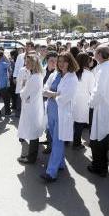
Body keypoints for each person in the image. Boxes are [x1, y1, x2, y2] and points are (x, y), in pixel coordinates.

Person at [41, 52, 79, 182]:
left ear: (70, 62)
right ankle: (60, 163)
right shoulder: (54, 74)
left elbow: (64, 98)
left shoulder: (72, 78)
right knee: (54, 138)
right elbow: (44, 89)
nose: (61, 64)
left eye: (64, 61)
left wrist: (51, 94)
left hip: (62, 113)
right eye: (59, 61)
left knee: (57, 141)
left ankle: (51, 172)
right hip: (51, 110)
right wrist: (54, 94)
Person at [87, 46, 109, 177]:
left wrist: (90, 103)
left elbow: (98, 91)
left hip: (102, 109)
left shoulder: (103, 70)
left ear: (100, 54)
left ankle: (99, 167)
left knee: (97, 141)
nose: (94, 54)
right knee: (103, 139)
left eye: (95, 52)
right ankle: (102, 165)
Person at [17, 54, 45, 164]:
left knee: (33, 132)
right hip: (34, 105)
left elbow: (23, 94)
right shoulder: (37, 75)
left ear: (34, 64)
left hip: (31, 107)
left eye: (28, 62)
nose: (26, 64)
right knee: (33, 131)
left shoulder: (34, 77)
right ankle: (32, 155)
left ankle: (31, 158)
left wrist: (23, 87)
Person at [72, 52, 95, 150]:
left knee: (72, 121)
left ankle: (66, 140)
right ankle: (76, 143)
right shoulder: (89, 74)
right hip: (83, 102)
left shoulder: (72, 72)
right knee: (79, 123)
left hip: (73, 100)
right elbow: (92, 90)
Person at [0, 50, 11, 116]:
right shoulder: (3, 64)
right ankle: (7, 112)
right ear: (1, 56)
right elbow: (9, 63)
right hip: (3, 85)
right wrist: (5, 57)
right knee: (6, 100)